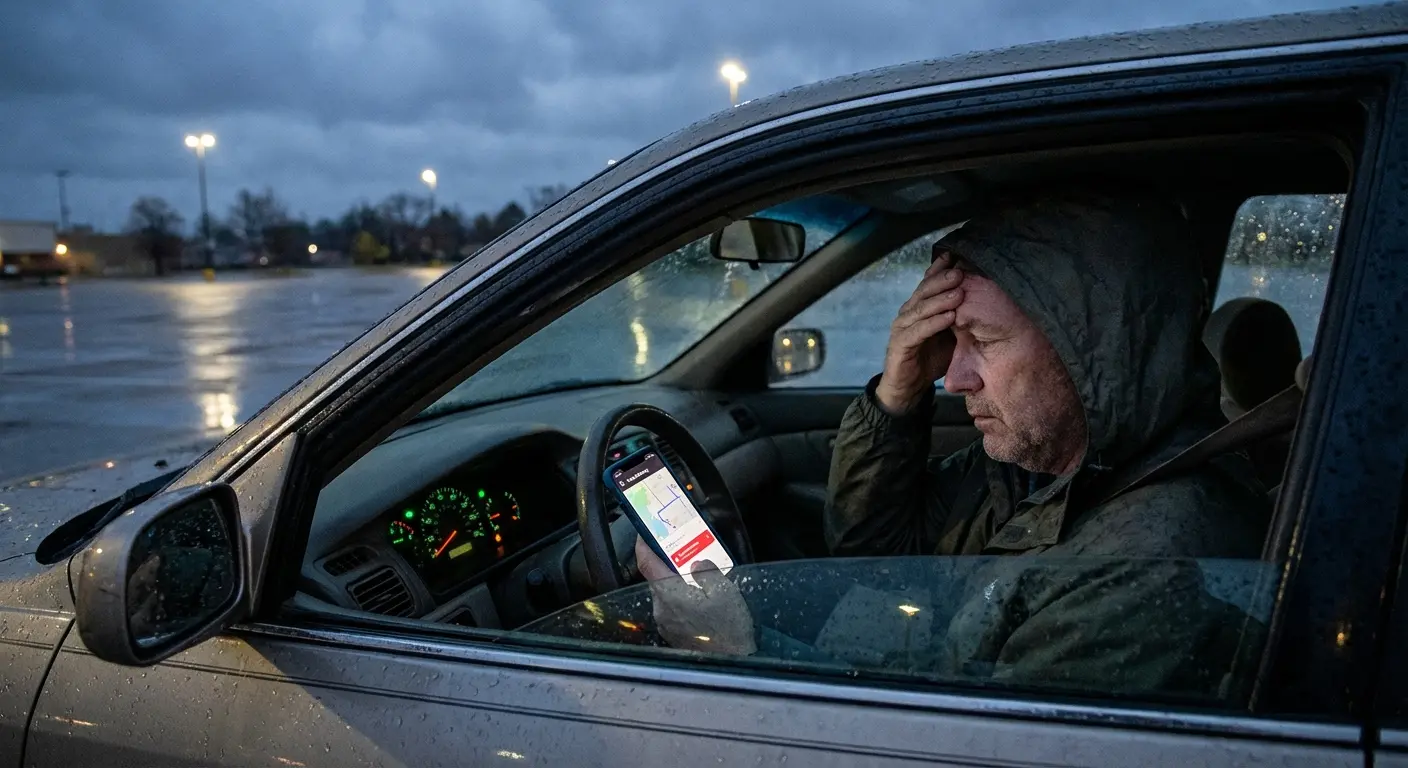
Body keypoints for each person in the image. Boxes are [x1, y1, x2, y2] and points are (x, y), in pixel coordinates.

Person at [637, 188, 1270, 696]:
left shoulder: (1148, 571)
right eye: (948, 342)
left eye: (983, 343)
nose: (954, 376)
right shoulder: (1043, 461)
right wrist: (897, 391)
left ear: (1093, 355)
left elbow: (967, 752)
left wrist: (737, 657)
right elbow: (876, 555)